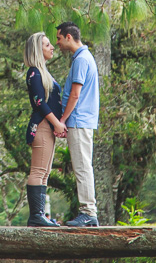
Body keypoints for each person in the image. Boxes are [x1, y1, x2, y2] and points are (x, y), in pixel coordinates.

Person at [55, 22, 100, 227]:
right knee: (81, 166)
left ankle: (89, 212)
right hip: (80, 120)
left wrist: (62, 120)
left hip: (79, 120)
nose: (57, 43)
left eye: (58, 38)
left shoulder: (81, 60)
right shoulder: (81, 58)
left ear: (69, 37)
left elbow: (75, 94)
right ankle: (87, 212)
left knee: (82, 167)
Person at [23, 32, 67, 227]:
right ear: (37, 50)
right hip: (41, 126)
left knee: (45, 171)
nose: (52, 47)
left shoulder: (43, 72)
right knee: (38, 170)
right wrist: (57, 123)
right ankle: (36, 216)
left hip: (48, 127)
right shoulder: (34, 73)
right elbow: (39, 102)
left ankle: (40, 215)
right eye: (47, 44)